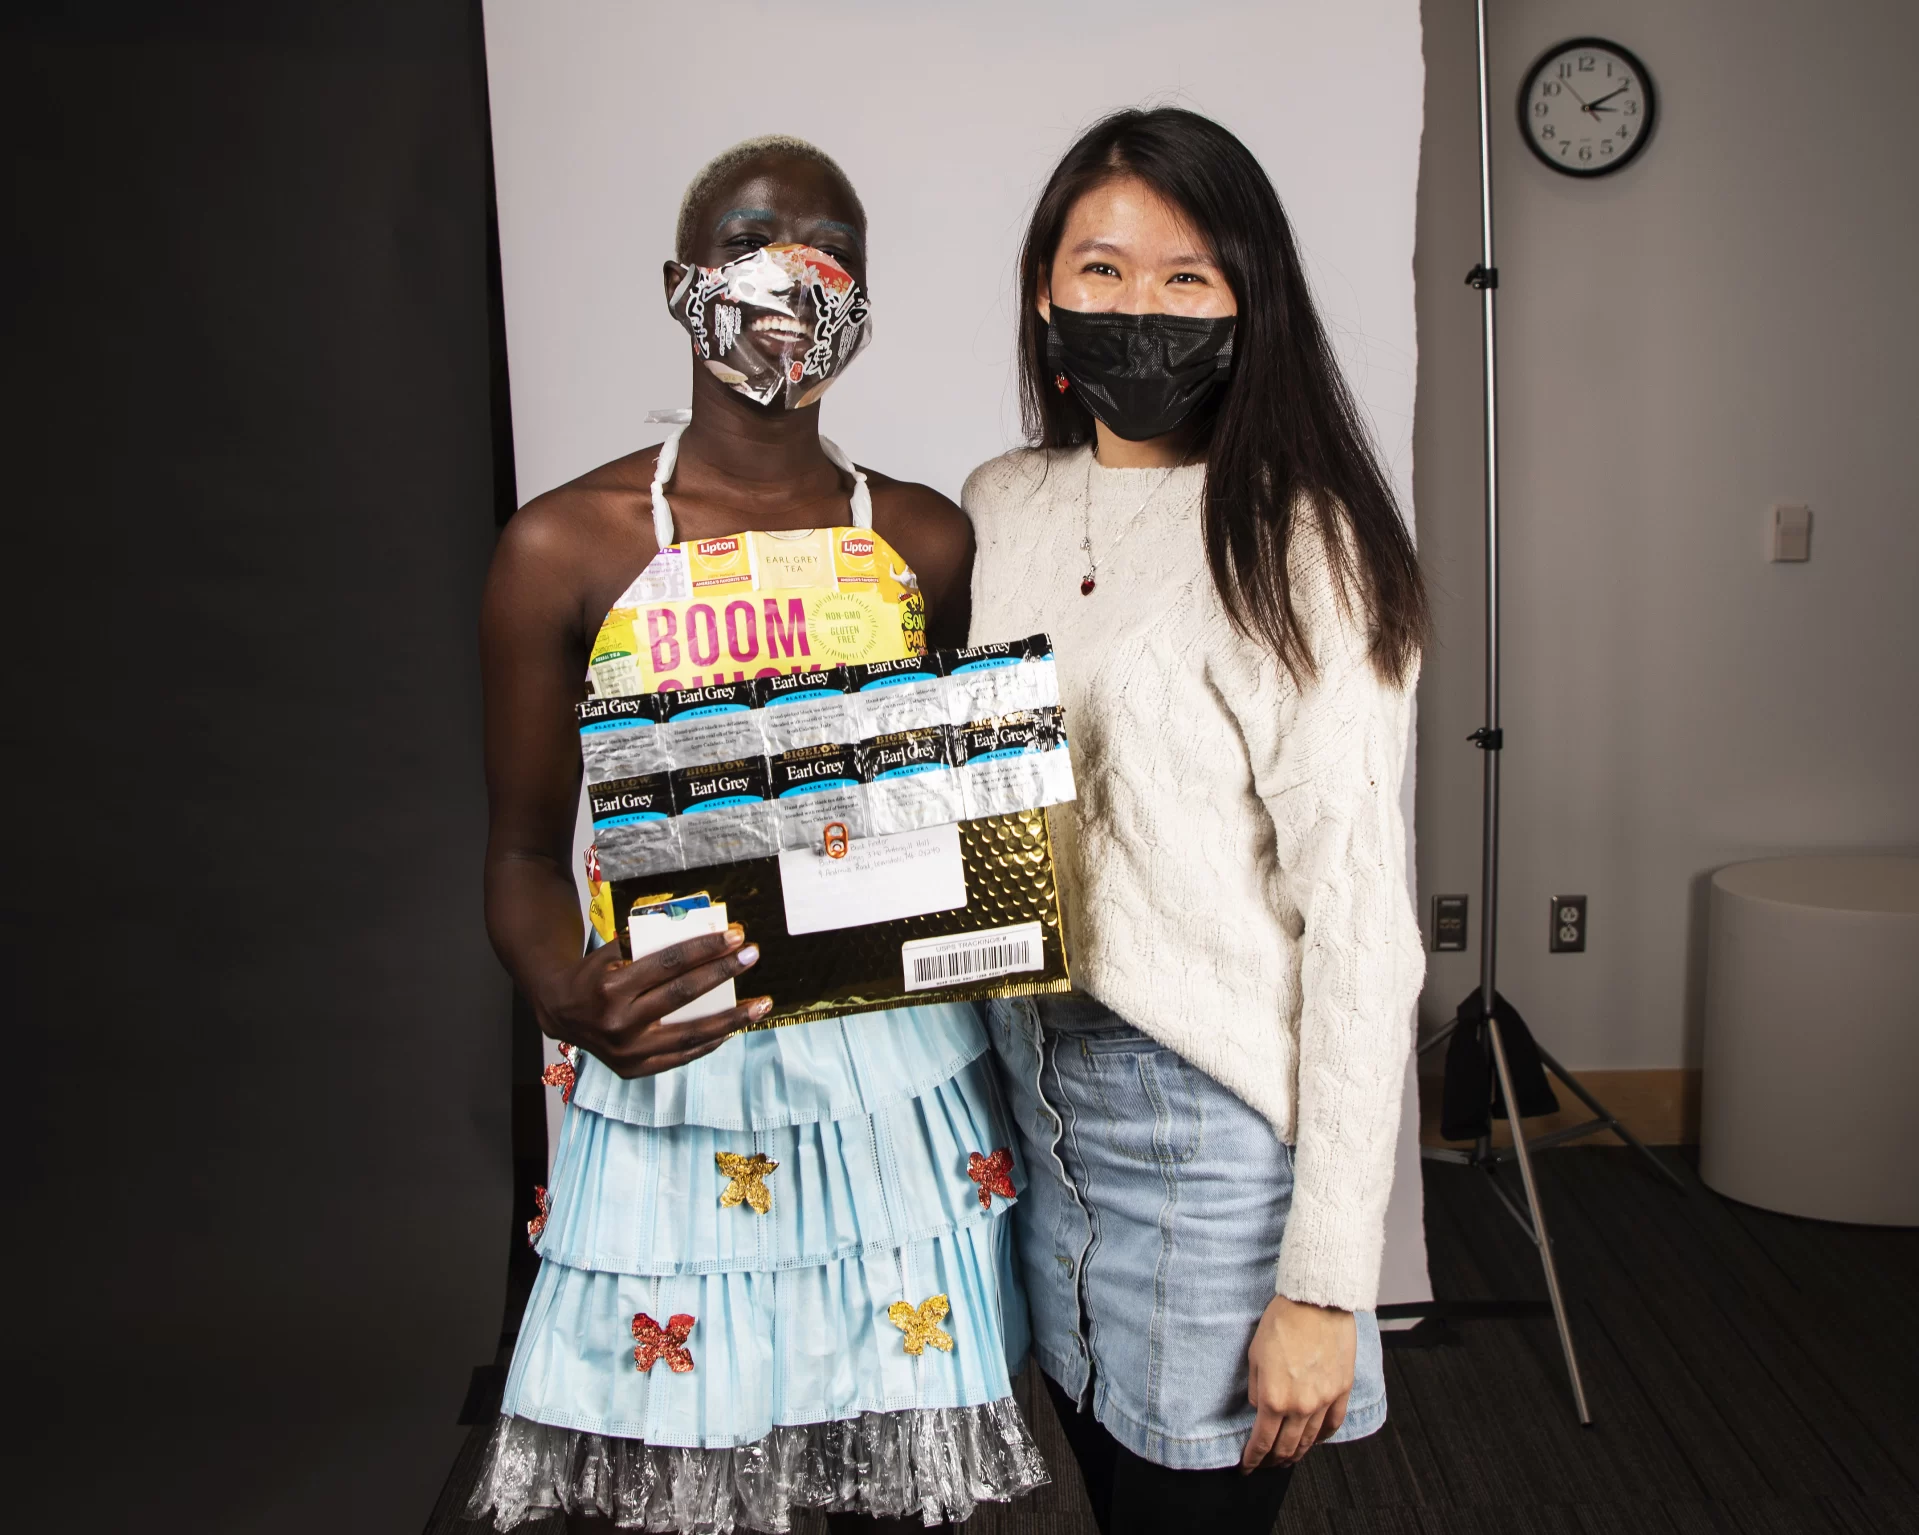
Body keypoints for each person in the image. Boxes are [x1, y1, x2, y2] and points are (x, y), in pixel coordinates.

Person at [466, 135, 1047, 1534]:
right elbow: (524, 862)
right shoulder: (564, 545)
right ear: (684, 284)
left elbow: (972, 820)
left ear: (862, 304)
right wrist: (569, 991)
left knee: (897, 1475)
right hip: (680, 1066)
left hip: (898, 1087)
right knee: (692, 1476)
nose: (792, 282)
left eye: (830, 254)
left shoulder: (926, 539)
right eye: (750, 245)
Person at [963, 108, 1429, 1534]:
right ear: (1046, 293)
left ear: (1248, 304)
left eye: (1185, 278)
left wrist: (1325, 1279)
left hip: (1204, 1125)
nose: (1137, 309)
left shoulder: (1302, 537)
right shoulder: (999, 503)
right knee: (1108, 1490)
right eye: (1099, 270)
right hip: (1025, 1099)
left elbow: (1359, 930)